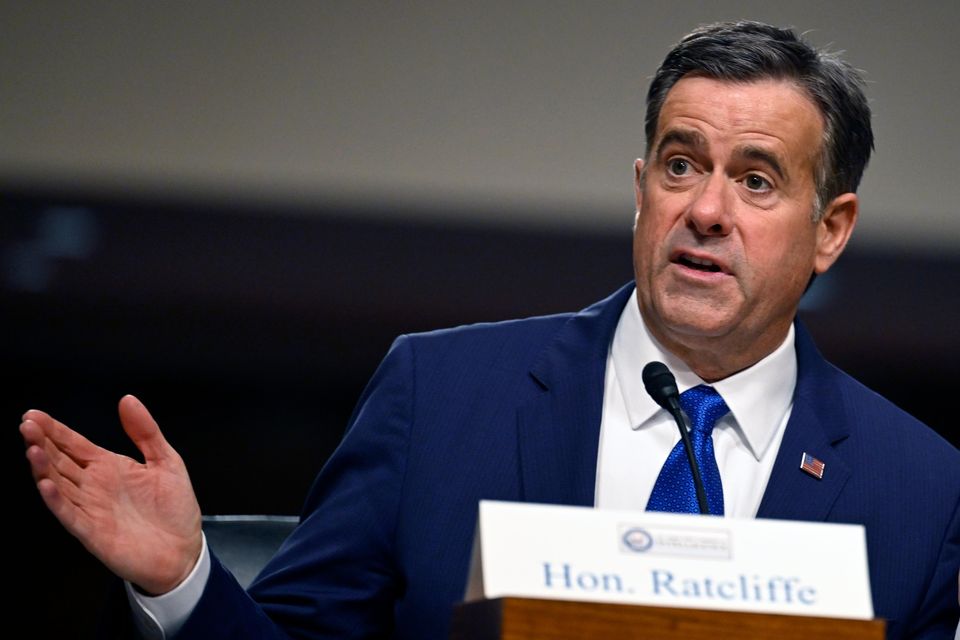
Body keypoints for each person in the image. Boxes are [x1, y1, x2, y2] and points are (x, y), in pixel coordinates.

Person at [20, 20, 960, 640]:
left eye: (756, 180)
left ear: (830, 229)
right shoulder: (440, 397)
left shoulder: (920, 488)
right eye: (681, 165)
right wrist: (185, 580)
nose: (707, 209)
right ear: (641, 193)